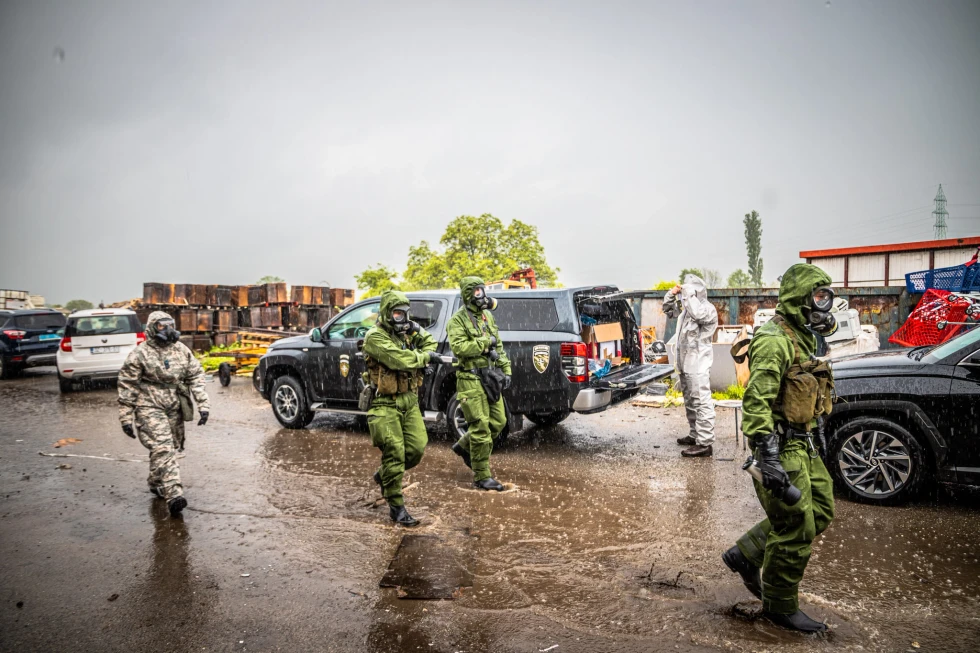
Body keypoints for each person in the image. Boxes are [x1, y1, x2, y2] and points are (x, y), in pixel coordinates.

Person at [722, 263, 838, 633]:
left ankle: (747, 553)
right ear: (799, 299)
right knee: (796, 525)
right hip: (780, 446)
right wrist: (767, 456)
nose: (823, 305)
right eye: (817, 296)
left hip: (802, 442)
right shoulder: (775, 339)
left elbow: (803, 389)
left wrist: (815, 428)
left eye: (826, 296)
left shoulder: (801, 336)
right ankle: (779, 606)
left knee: (820, 510)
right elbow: (756, 400)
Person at [118, 311, 210, 517]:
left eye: (170, 325)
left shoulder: (180, 350)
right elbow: (127, 386)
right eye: (162, 326)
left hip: (174, 403)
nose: (167, 330)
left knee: (170, 447)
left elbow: (195, 375)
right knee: (163, 447)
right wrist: (125, 416)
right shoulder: (139, 354)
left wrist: (203, 404)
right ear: (152, 328)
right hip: (148, 404)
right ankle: (174, 494)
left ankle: (156, 482)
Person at [362, 290, 440, 527]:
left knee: (416, 448)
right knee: (395, 452)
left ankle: (385, 474)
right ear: (387, 313)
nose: (402, 319)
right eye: (397, 313)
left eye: (405, 314)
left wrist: (417, 330)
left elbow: (431, 342)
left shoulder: (405, 334)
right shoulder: (375, 337)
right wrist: (424, 357)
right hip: (385, 404)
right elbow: (399, 360)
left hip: (409, 400)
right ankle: (396, 506)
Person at [447, 276, 511, 491]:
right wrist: (485, 343)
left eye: (482, 290)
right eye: (476, 292)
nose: (481, 295)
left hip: (489, 377)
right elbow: (460, 348)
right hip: (469, 379)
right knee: (481, 426)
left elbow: (498, 345)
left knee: (499, 421)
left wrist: (506, 369)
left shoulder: (487, 317)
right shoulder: (457, 321)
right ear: (468, 295)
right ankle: (482, 475)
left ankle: (464, 446)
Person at [663, 274, 718, 457]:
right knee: (690, 400)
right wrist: (672, 294)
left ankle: (705, 443)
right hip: (685, 362)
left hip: (699, 363)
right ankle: (695, 435)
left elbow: (698, 314)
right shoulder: (686, 311)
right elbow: (668, 310)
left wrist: (688, 295)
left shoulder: (707, 309)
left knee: (701, 401)